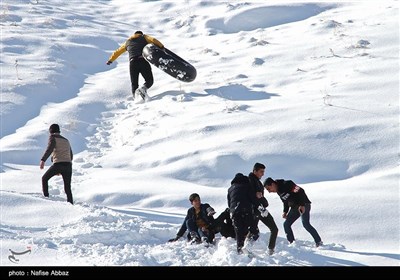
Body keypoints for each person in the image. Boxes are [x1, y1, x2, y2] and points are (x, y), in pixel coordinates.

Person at [264, 177, 323, 247]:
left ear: (273, 184)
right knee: (286, 224)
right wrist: (285, 211)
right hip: (294, 208)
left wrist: (302, 205)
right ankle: (292, 244)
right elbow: (285, 202)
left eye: (268, 189)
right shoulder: (278, 191)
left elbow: (300, 191)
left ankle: (318, 242)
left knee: (306, 224)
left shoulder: (287, 184)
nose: (269, 191)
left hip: (304, 204)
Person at [106, 30, 164, 100]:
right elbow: (154, 40)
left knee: (134, 83)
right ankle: (143, 88)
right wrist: (161, 47)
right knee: (149, 80)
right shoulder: (144, 37)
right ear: (140, 34)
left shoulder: (127, 42)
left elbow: (118, 51)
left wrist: (110, 60)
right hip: (142, 61)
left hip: (132, 63)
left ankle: (136, 99)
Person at [247, 163, 278, 255]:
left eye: (263, 171)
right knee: (254, 231)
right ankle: (247, 248)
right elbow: (252, 196)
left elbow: (259, 196)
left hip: (261, 209)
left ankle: (270, 250)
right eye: (261, 171)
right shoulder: (251, 181)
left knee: (274, 229)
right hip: (256, 209)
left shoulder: (256, 181)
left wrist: (263, 204)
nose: (263, 174)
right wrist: (260, 206)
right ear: (255, 171)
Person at [40, 124, 74, 204]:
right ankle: (71, 204)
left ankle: (46, 198)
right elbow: (71, 155)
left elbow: (49, 149)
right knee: (67, 188)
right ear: (59, 131)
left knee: (44, 179)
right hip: (68, 165)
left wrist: (43, 160)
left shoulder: (52, 138)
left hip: (58, 164)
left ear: (51, 131)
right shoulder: (66, 140)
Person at [227, 173, 259, 254]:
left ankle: (240, 252)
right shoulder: (247, 185)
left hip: (234, 213)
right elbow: (253, 198)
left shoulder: (230, 189)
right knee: (254, 231)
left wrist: (232, 212)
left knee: (239, 234)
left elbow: (229, 203)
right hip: (246, 211)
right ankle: (247, 246)